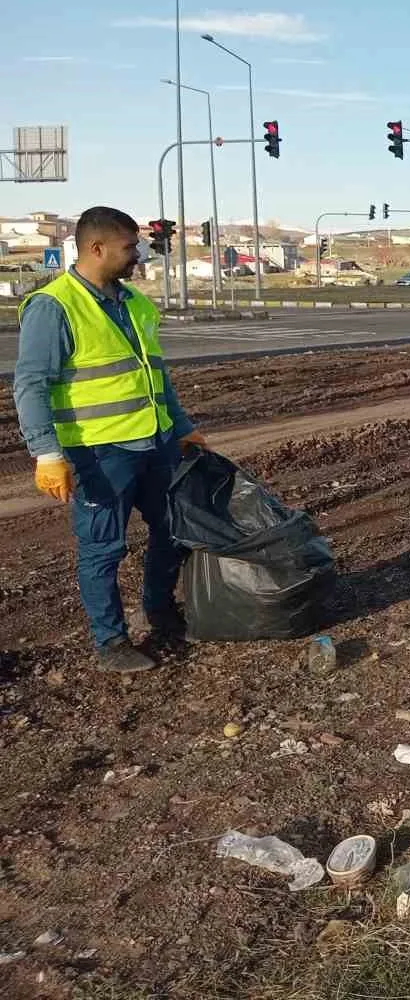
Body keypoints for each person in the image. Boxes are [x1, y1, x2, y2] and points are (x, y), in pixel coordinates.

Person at [11, 207, 206, 672]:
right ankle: (110, 642)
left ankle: (161, 613)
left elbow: (156, 375)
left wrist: (181, 428)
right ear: (96, 249)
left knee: (173, 531)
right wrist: (46, 454)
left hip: (155, 445)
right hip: (99, 453)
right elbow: (31, 384)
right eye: (129, 247)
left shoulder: (135, 303)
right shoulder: (53, 306)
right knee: (104, 548)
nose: (138, 255)